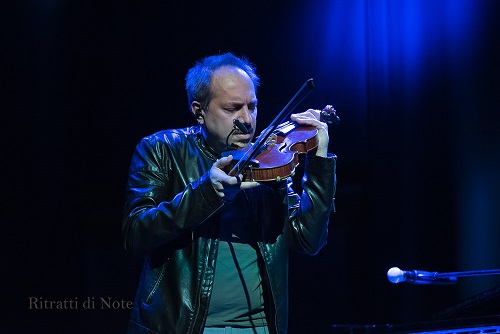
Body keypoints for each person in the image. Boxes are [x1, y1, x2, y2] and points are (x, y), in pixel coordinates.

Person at [122, 52, 337, 334]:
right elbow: (136, 235)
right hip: (181, 327)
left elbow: (309, 240)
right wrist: (206, 193)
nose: (247, 120)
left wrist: (320, 162)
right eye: (232, 108)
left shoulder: (267, 160)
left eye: (252, 106)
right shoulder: (161, 149)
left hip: (258, 327)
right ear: (199, 110)